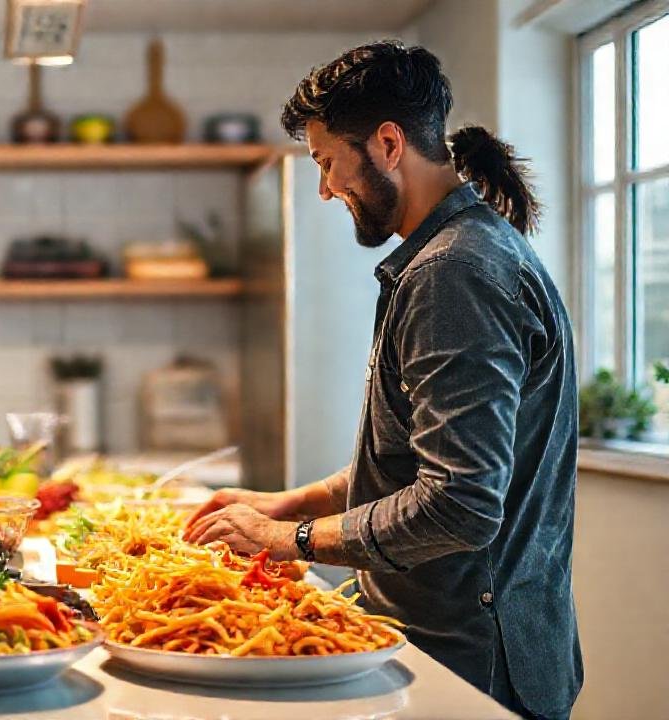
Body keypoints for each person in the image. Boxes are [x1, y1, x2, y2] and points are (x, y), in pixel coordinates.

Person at [184, 42, 582, 719]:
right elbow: (414, 462)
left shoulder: (453, 274)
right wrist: (291, 502)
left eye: (326, 162)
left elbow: (459, 503)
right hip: (450, 647)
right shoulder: (459, 253)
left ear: (388, 144)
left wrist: (288, 540)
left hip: (471, 667)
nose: (324, 189)